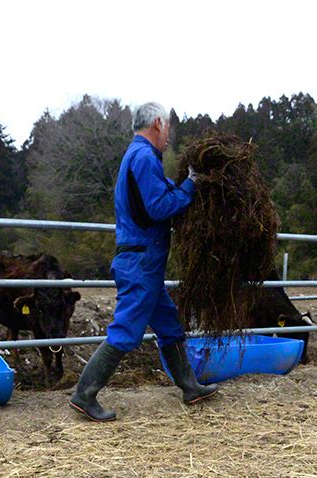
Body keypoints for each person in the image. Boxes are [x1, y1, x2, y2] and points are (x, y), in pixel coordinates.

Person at [69, 102, 218, 422]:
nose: (169, 136)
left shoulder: (138, 157)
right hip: (141, 262)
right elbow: (159, 207)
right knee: (125, 331)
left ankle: (190, 387)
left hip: (142, 261)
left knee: (169, 325)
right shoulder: (144, 158)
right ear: (158, 123)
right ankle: (84, 394)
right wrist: (191, 184)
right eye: (168, 129)